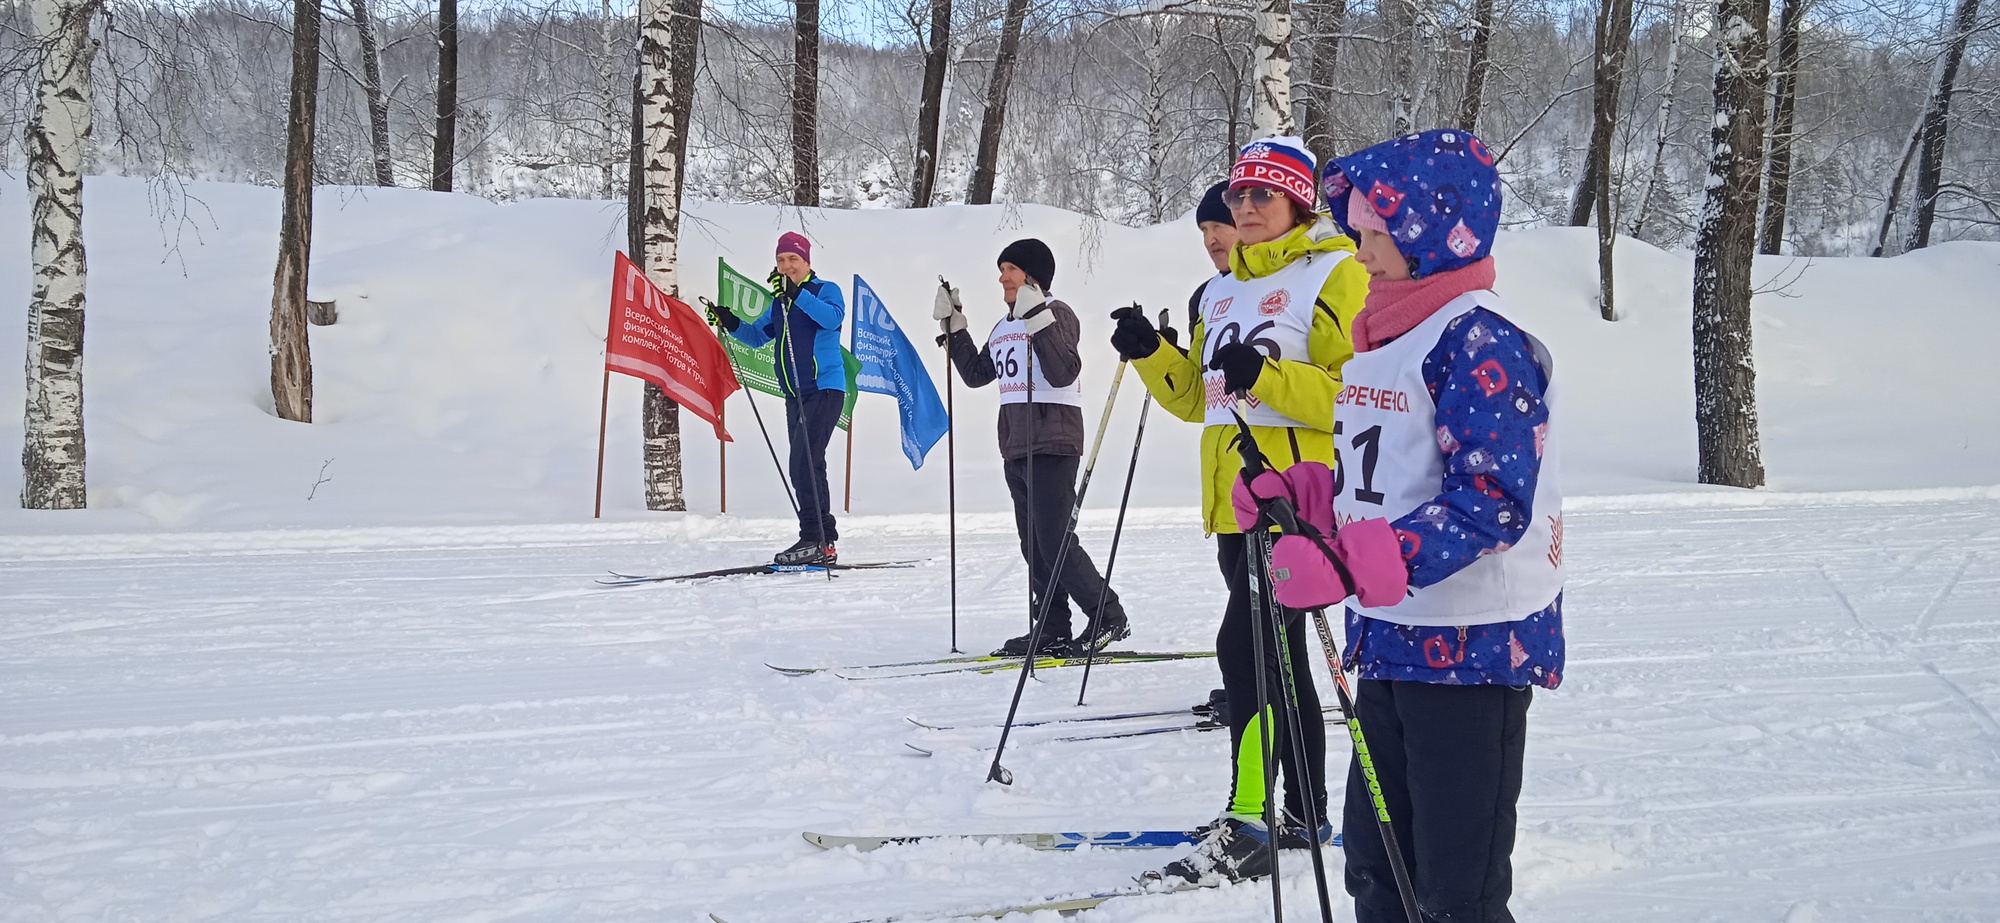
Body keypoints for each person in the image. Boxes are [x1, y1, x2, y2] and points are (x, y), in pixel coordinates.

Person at [1248, 128, 1564, 923]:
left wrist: (1359, 563)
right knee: (1378, 870)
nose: (1361, 254)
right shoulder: (1384, 333)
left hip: (1470, 649)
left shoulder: (1477, 337)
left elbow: (1493, 495)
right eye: (1357, 235)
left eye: (1378, 236)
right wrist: (1310, 495)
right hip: (1389, 642)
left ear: (1432, 232)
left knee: (1454, 892)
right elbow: (1384, 469)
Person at [1109, 137, 1369, 884]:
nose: (1245, 207)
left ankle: (1251, 820)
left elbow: (1355, 394)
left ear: (1299, 201)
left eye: (1263, 194)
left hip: (1296, 501)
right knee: (1279, 659)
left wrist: (1273, 377)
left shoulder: (1335, 273)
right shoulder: (1217, 293)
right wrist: (1153, 352)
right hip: (1232, 504)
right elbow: (1201, 399)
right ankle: (1304, 812)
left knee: (1247, 652)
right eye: (1237, 195)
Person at [933, 238, 1131, 657]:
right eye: (1002, 269)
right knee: (1033, 543)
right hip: (1016, 445)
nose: (1002, 277)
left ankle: (1108, 616)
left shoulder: (1056, 313)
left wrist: (1036, 316)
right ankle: (1053, 624)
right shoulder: (1005, 324)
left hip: (1054, 443)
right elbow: (977, 374)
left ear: (1033, 276)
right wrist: (955, 329)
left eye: (1010, 269)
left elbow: (1063, 372)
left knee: (1056, 538)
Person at [709, 231, 847, 565]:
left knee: (803, 464)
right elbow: (757, 336)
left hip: (824, 388)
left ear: (807, 262)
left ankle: (814, 538)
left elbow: (832, 318)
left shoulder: (824, 290)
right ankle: (821, 540)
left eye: (793, 260)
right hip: (794, 394)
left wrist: (796, 294)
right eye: (781, 261)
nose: (786, 267)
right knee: (808, 465)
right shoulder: (779, 302)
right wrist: (730, 321)